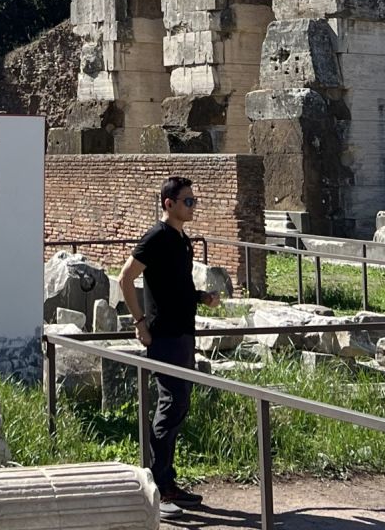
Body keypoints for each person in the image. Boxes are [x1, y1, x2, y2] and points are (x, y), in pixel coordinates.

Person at [119, 177, 220, 520]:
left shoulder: (181, 240)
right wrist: (139, 323)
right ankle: (157, 488)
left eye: (194, 200)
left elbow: (176, 285)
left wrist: (200, 297)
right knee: (169, 405)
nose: (193, 206)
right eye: (188, 201)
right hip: (163, 336)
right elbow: (124, 277)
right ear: (169, 204)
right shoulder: (156, 237)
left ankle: (168, 482)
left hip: (183, 333)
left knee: (179, 406)